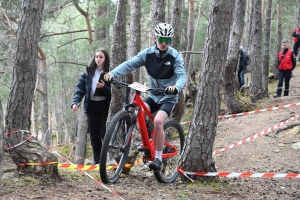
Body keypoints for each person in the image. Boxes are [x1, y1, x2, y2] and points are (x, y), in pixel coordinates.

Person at [104, 23, 186, 171]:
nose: (163, 43)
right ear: (155, 38)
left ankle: (159, 157)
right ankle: (148, 141)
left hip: (168, 97)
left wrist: (176, 88)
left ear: (171, 41)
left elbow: (181, 76)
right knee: (139, 112)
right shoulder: (147, 54)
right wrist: (112, 74)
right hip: (154, 95)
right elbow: (129, 65)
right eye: (161, 39)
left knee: (159, 122)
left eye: (167, 40)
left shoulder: (175, 56)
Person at [71, 48, 111, 165]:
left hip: (105, 106)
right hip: (91, 106)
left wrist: (103, 87)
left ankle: (109, 158)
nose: (98, 59)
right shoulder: (88, 72)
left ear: (105, 59)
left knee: (104, 132)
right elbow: (80, 89)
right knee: (94, 135)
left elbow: (115, 92)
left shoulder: (110, 73)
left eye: (101, 57)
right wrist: (75, 102)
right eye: (96, 56)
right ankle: (97, 161)